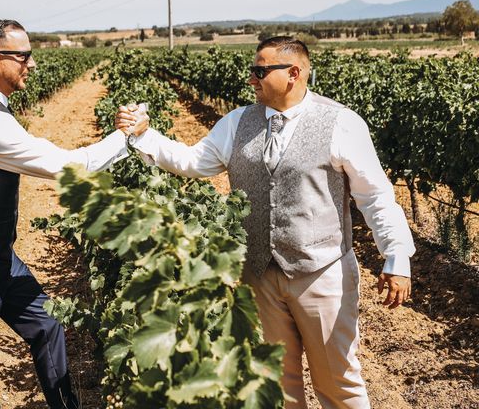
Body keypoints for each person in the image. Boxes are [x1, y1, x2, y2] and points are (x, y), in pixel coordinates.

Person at [116, 36, 414, 409]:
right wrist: (145, 135)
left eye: (260, 71)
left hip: (322, 273)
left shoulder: (340, 123)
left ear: (294, 73)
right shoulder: (238, 121)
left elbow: (376, 197)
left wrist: (396, 256)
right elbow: (193, 162)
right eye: (251, 71)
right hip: (258, 273)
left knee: (338, 381)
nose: (251, 79)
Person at [0, 19, 148, 409]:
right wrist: (126, 137)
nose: (32, 63)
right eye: (23, 55)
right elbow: (68, 167)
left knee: (47, 325)